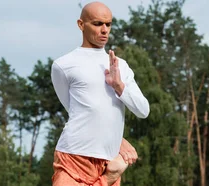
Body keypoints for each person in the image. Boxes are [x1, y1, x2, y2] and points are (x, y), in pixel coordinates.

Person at [50, 1, 150, 185]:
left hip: (108, 161)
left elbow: (143, 110)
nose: (104, 30)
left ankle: (108, 177)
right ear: (81, 25)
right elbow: (74, 110)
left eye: (108, 24)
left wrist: (119, 86)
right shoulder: (63, 65)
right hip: (73, 155)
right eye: (97, 24)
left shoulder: (121, 66)